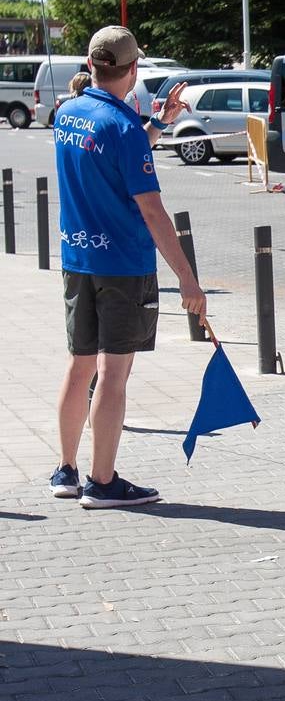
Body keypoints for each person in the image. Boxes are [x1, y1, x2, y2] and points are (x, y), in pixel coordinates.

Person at [48, 25, 206, 508]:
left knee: (80, 368)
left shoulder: (68, 112)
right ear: (134, 70)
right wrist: (187, 279)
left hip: (78, 257)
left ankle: (67, 471)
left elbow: (111, 154)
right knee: (113, 375)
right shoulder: (120, 126)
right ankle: (102, 482)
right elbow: (152, 211)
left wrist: (156, 124)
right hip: (122, 265)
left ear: (91, 64)